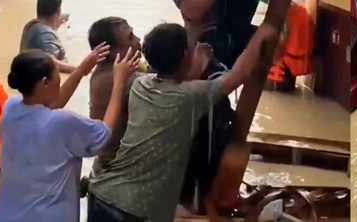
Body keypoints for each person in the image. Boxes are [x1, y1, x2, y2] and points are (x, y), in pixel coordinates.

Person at [86, 22, 279, 222]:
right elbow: (237, 75)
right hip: (133, 210)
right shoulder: (190, 96)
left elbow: (173, 84)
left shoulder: (139, 85)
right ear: (186, 57)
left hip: (104, 193)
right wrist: (262, 33)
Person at [0, 45, 138, 222]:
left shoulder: (12, 107)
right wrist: (119, 81)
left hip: (6, 214)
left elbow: (51, 104)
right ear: (45, 82)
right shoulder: (62, 122)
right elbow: (104, 133)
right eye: (57, 76)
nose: (59, 81)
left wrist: (81, 70)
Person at [86, 17, 142, 173]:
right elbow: (167, 86)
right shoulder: (120, 80)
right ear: (111, 52)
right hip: (118, 166)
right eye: (130, 37)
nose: (138, 40)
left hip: (105, 161)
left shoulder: (101, 72)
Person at [19, 0, 75, 73]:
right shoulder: (46, 33)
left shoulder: (34, 26)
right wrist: (81, 69)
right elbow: (51, 63)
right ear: (58, 11)